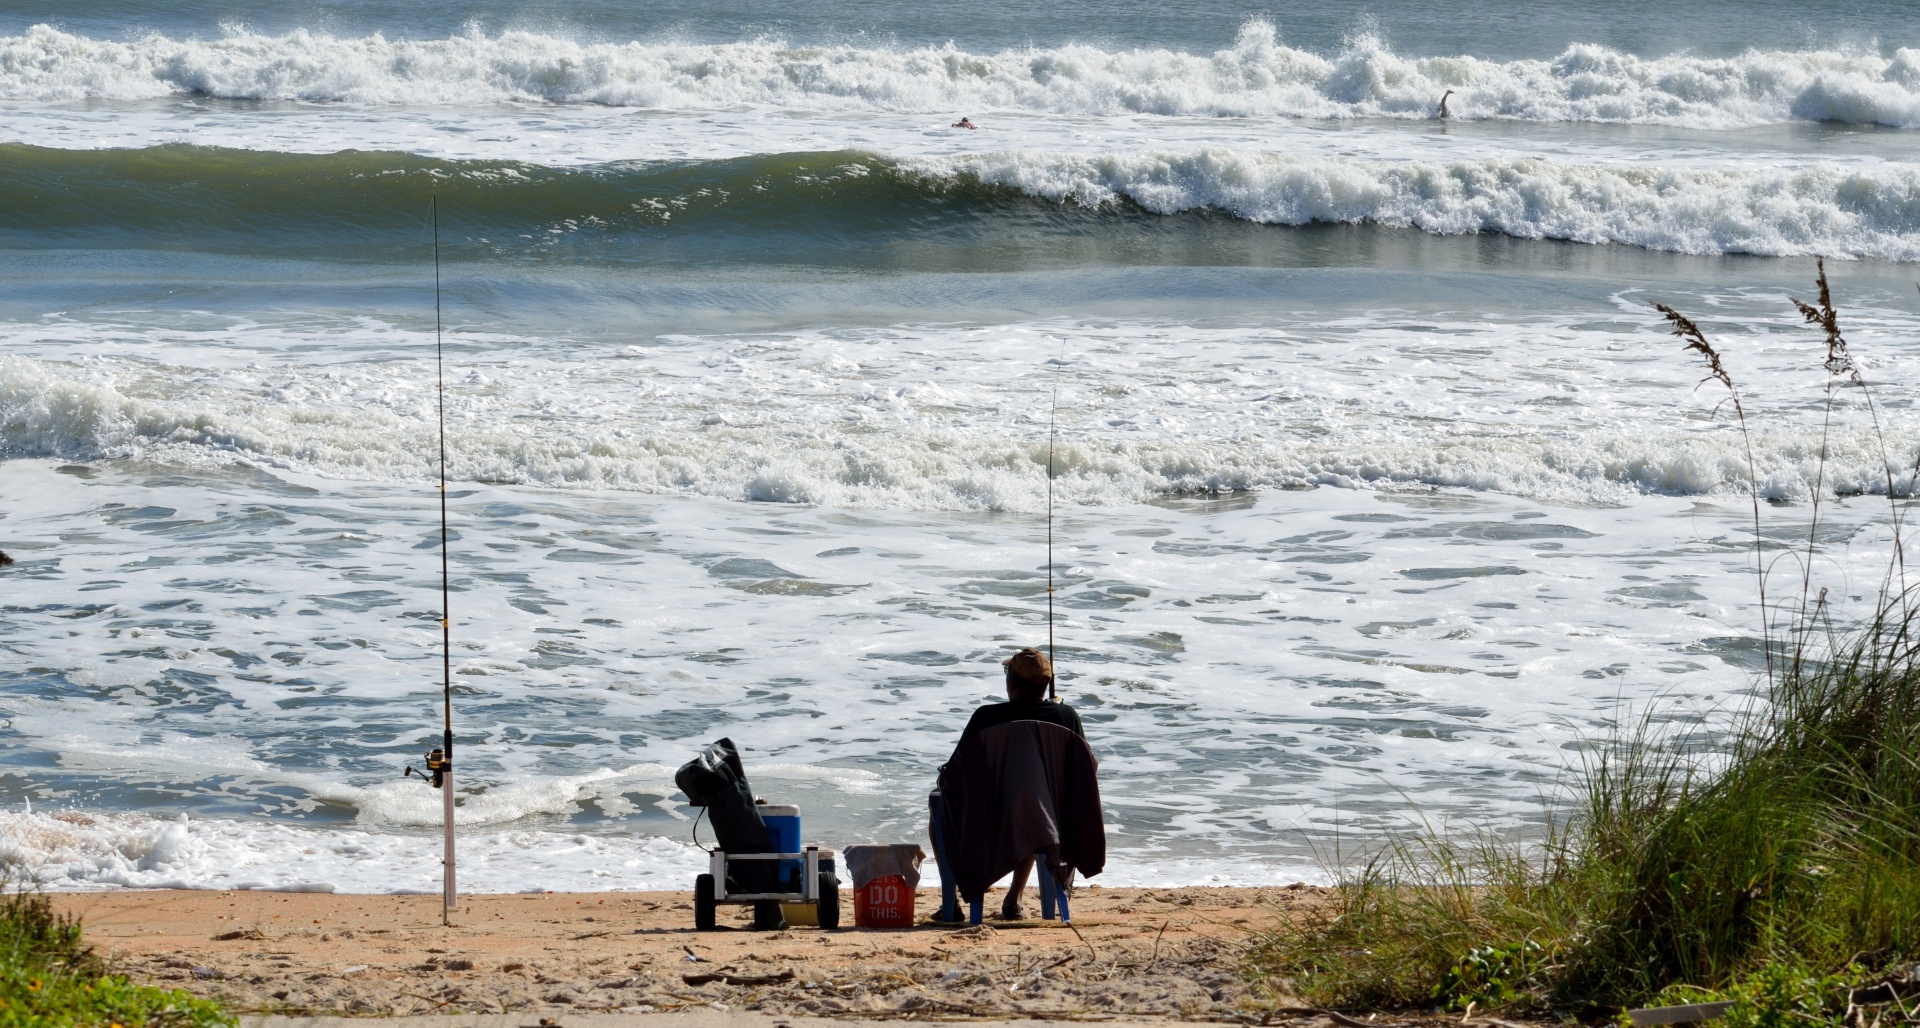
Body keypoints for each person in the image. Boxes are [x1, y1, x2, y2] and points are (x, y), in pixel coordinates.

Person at [944, 646, 1083, 919]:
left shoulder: (986, 717)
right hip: (1050, 822)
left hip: (989, 820)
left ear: (1011, 684)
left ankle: (952, 901)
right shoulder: (1066, 717)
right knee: (1031, 807)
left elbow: (956, 771)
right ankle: (1014, 898)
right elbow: (1081, 772)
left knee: (940, 808)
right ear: (1045, 685)